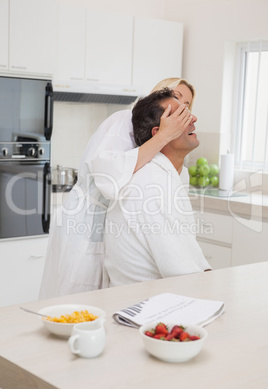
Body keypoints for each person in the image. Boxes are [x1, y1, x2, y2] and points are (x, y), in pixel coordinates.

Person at [39, 78, 195, 299]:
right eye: (176, 99)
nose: (183, 111)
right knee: (73, 299)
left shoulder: (164, 146)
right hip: (86, 224)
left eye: (187, 106)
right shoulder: (124, 120)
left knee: (101, 305)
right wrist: (163, 136)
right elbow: (107, 178)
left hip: (116, 235)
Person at [103, 88, 211, 287]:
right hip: (145, 305)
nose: (193, 118)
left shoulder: (171, 174)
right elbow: (180, 270)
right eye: (181, 116)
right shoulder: (151, 184)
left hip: (157, 295)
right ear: (159, 133)